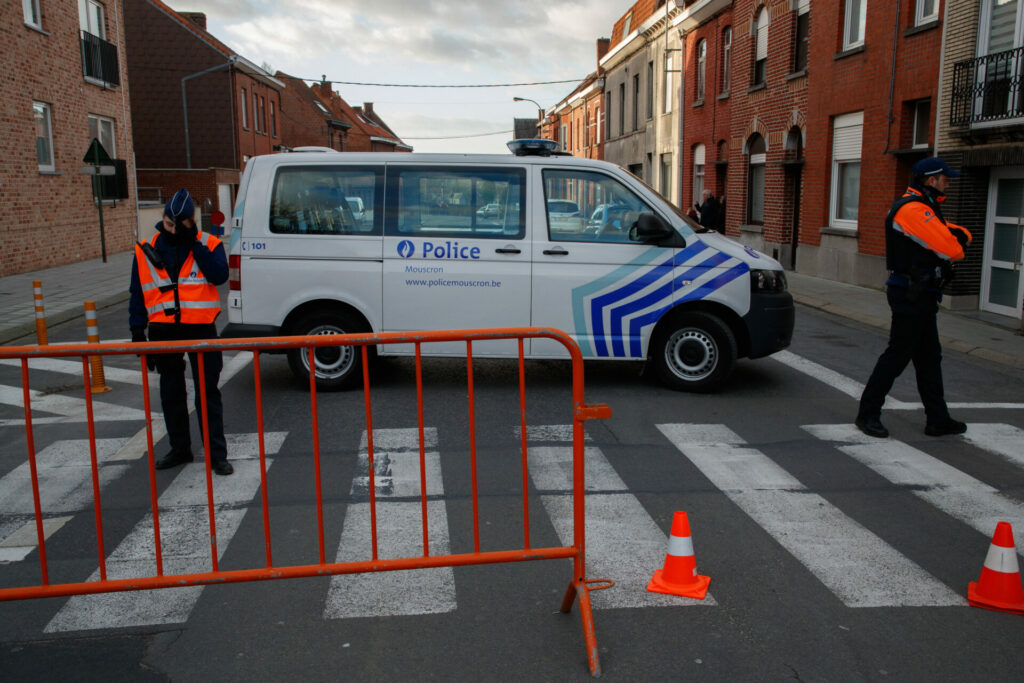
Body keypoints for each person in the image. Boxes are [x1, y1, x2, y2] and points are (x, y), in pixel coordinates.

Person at [855, 158, 973, 439]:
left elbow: (958, 234)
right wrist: (953, 236)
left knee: (929, 358)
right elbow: (953, 248)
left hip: (921, 294)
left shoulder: (925, 208)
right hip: (911, 294)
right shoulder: (913, 210)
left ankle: (938, 419)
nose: (948, 182)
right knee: (897, 355)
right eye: (945, 177)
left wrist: (953, 234)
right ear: (930, 180)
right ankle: (867, 413)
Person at [130, 188, 233, 475]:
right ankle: (180, 449)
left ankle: (217, 455)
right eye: (168, 224)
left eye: (179, 225)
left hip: (201, 328)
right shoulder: (146, 248)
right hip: (163, 331)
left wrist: (193, 244)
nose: (172, 230)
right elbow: (137, 294)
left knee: (207, 393)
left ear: (191, 222)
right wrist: (138, 332)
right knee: (171, 392)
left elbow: (219, 275)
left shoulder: (208, 244)